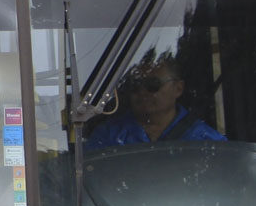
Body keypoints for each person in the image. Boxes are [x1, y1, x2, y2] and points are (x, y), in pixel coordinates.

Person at [84, 57, 225, 147]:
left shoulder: (208, 141)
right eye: (135, 85)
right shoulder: (108, 136)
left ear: (178, 88)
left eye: (153, 85)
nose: (142, 92)